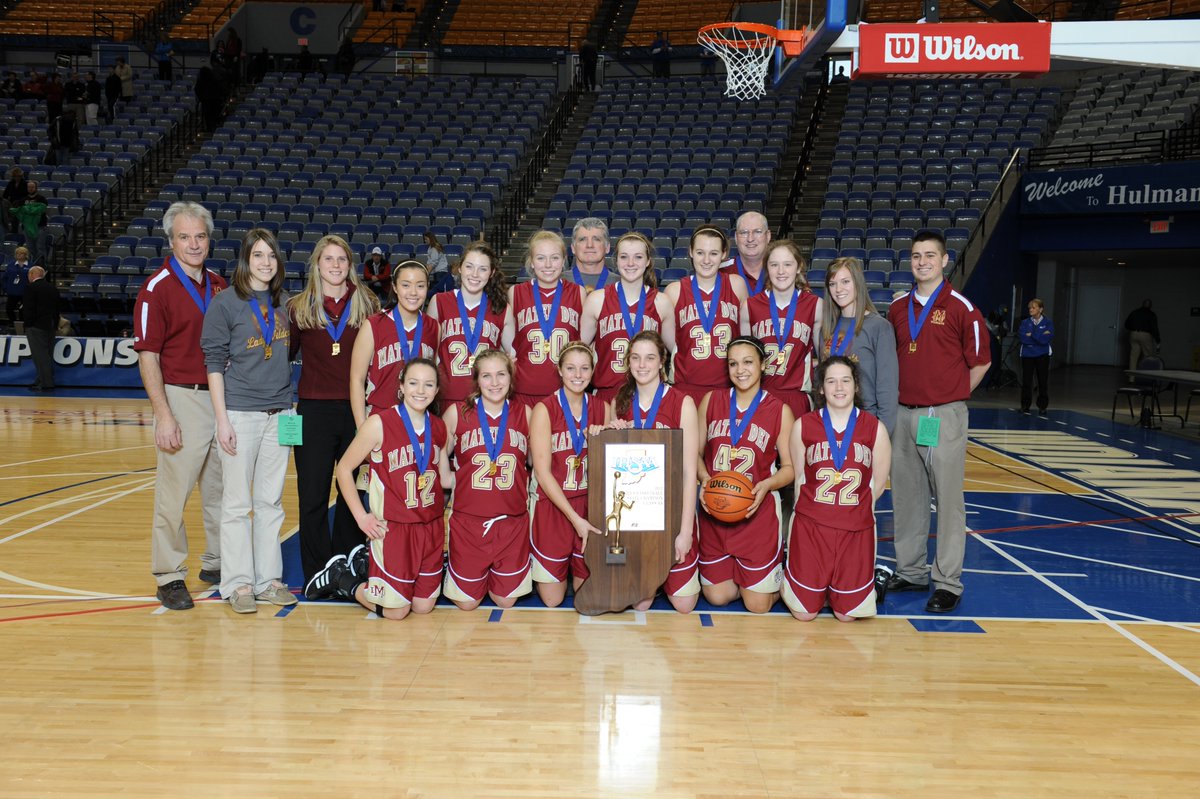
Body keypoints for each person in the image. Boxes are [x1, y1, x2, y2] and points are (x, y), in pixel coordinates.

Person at [886, 229, 990, 614]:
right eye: (916, 256)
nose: (923, 262)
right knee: (907, 497)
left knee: (947, 500)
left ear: (944, 260)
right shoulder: (898, 308)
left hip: (941, 415)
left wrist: (952, 397)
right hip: (903, 413)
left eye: (930, 255)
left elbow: (981, 362)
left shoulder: (962, 308)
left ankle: (948, 581)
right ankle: (911, 570)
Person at [133, 201, 228, 610]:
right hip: (182, 397)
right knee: (174, 495)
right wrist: (164, 414)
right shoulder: (156, 289)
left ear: (209, 239)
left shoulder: (220, 285)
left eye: (200, 236)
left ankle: (218, 562)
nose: (194, 244)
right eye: (185, 237)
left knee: (220, 490)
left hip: (220, 398)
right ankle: (169, 575)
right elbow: (148, 356)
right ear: (170, 241)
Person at [200, 229, 297, 614]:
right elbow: (213, 364)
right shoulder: (224, 303)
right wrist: (222, 419)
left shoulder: (285, 303)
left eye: (271, 255)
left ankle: (268, 580)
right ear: (245, 260)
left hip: (281, 414)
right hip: (240, 413)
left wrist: (289, 407)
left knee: (270, 501)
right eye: (258, 255)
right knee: (237, 503)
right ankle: (238, 583)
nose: (265, 262)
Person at [309, 358, 452, 619]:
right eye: (413, 383)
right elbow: (344, 469)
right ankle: (343, 579)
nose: (420, 391)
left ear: (436, 390)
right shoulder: (379, 423)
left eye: (428, 384)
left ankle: (372, 571)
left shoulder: (439, 426)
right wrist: (361, 517)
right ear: (401, 386)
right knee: (397, 612)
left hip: (431, 527)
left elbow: (444, 479)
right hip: (394, 529)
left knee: (423, 607)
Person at [289, 235, 381, 590]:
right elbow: (282, 357)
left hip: (356, 411)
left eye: (341, 259)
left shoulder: (368, 303)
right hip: (312, 412)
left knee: (351, 492)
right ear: (317, 264)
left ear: (350, 265)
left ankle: (346, 562)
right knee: (312, 495)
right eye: (328, 259)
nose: (336, 265)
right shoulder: (299, 307)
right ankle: (317, 571)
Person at [783, 356, 892, 621]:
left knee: (846, 616)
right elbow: (800, 479)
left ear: (856, 386)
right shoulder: (803, 425)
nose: (839, 387)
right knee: (804, 614)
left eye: (846, 380)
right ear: (821, 388)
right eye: (831, 381)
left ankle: (870, 582)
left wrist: (852, 512)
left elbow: (878, 484)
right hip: (812, 528)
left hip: (855, 530)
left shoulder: (875, 428)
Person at [696, 335, 795, 613]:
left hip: (756, 514)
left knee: (758, 606)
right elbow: (694, 453)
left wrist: (768, 484)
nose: (740, 370)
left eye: (748, 362)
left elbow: (790, 468)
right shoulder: (711, 401)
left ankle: (779, 583)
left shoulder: (780, 411)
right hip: (716, 512)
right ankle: (748, 579)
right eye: (733, 363)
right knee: (718, 596)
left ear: (763, 364)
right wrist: (704, 479)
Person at [606, 331, 700, 612]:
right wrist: (611, 433)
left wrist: (685, 532)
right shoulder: (619, 403)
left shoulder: (682, 402)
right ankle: (650, 578)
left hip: (671, 511)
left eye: (649, 358)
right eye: (635, 358)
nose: (642, 365)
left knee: (684, 605)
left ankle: (662, 575)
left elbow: (689, 471)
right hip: (636, 514)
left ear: (661, 362)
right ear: (628, 362)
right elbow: (612, 469)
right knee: (640, 604)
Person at [441, 349, 533, 610]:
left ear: (510, 377)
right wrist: (448, 478)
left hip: (511, 522)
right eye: (486, 376)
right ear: (477, 380)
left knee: (506, 601)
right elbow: (436, 451)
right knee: (467, 604)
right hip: (469, 522)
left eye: (501, 374)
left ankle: (495, 574)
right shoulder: (457, 413)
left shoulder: (525, 413)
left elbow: (535, 462)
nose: (494, 383)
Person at [529, 342, 606, 607]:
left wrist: (614, 430)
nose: (578, 375)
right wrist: (575, 520)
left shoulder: (603, 407)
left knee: (587, 595)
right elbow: (542, 473)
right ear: (560, 370)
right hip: (554, 505)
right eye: (571, 368)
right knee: (553, 600)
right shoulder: (544, 409)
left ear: (593, 371)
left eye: (584, 368)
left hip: (589, 505)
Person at [580, 231, 675, 404]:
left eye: (638, 257)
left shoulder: (662, 302)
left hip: (649, 395)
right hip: (607, 394)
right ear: (616, 261)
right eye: (624, 257)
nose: (630, 263)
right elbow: (578, 350)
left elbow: (678, 351)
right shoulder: (596, 299)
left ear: (648, 261)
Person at [349, 260, 438, 427]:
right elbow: (357, 379)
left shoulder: (434, 327)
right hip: (379, 420)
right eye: (406, 285)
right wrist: (362, 427)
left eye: (420, 286)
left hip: (420, 421)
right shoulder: (373, 325)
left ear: (427, 287)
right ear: (395, 287)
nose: (413, 292)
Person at [664, 226, 747, 403]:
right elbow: (672, 344)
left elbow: (745, 337)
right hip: (685, 387)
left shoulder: (736, 285)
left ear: (724, 254)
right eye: (700, 253)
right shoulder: (674, 291)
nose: (707, 260)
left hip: (728, 387)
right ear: (691, 252)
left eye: (714, 253)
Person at [503, 230, 586, 405]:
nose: (548, 264)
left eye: (555, 258)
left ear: (563, 261)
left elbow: (586, 342)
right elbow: (508, 341)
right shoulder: (515, 292)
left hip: (565, 389)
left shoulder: (578, 293)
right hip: (523, 388)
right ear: (531, 262)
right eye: (540, 258)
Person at [740, 239, 821, 418]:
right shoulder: (749, 306)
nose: (781, 271)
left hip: (797, 396)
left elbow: (825, 357)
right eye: (774, 265)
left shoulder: (815, 305)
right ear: (766, 268)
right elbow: (744, 360)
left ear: (799, 267)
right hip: (760, 396)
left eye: (788, 264)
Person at [821, 256, 898, 436]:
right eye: (832, 284)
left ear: (858, 283)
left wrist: (881, 435)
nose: (838, 289)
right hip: (830, 421)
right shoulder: (827, 328)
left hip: (865, 420)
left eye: (845, 281)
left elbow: (887, 389)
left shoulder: (879, 327)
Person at [428, 240, 509, 404]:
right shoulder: (439, 302)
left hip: (487, 399)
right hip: (446, 398)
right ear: (460, 268)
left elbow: (512, 357)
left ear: (491, 273)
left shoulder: (502, 308)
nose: (475, 274)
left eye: (483, 269)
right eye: (469, 266)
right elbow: (428, 353)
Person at [22, 265, 59, 393]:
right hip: (51, 325)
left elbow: (28, 308)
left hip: (36, 326)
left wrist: (28, 324)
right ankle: (40, 380)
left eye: (28, 275)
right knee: (47, 354)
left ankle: (46, 383)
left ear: (32, 275)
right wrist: (55, 324)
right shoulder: (52, 287)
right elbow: (57, 308)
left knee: (40, 356)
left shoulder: (30, 288)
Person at [721, 211, 772, 296]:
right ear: (736, 237)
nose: (750, 239)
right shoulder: (720, 271)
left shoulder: (782, 271)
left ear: (768, 236)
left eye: (757, 232)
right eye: (744, 232)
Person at [1018, 298, 1053, 415]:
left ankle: (1042, 406)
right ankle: (1025, 405)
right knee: (1026, 382)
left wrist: (1031, 334)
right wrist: (1039, 335)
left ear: (1040, 309)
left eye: (1033, 307)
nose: (1030, 310)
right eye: (1030, 308)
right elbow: (1023, 338)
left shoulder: (1048, 323)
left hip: (1042, 355)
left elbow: (1045, 340)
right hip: (1027, 355)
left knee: (1042, 381)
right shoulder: (1025, 322)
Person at [566, 217, 616, 292]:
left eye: (596, 239)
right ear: (573, 248)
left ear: (607, 247)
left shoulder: (620, 283)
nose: (589, 245)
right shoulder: (558, 281)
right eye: (582, 239)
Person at [12, 183, 49, 267]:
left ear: (36, 188)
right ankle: (32, 266)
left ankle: (42, 267)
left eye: (32, 187)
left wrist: (28, 210)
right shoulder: (23, 200)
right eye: (29, 187)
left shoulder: (41, 199)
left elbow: (41, 210)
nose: (30, 188)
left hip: (40, 227)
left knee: (40, 247)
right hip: (27, 227)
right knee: (30, 247)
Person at [1125, 298, 1159, 377]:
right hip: (1145, 335)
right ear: (1150, 306)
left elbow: (1126, 324)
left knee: (1133, 357)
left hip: (1133, 334)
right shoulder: (1151, 314)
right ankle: (1146, 376)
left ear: (1142, 304)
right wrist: (1158, 339)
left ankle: (1131, 378)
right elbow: (1154, 328)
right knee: (1148, 356)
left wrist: (1133, 329)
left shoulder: (1134, 312)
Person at [4, 246, 30, 327]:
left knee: (24, 310)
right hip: (12, 291)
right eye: (17, 253)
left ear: (26, 255)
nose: (19, 255)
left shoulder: (31, 266)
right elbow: (4, 278)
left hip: (25, 293)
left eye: (21, 253)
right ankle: (13, 322)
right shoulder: (10, 265)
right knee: (9, 309)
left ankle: (22, 324)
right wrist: (6, 288)